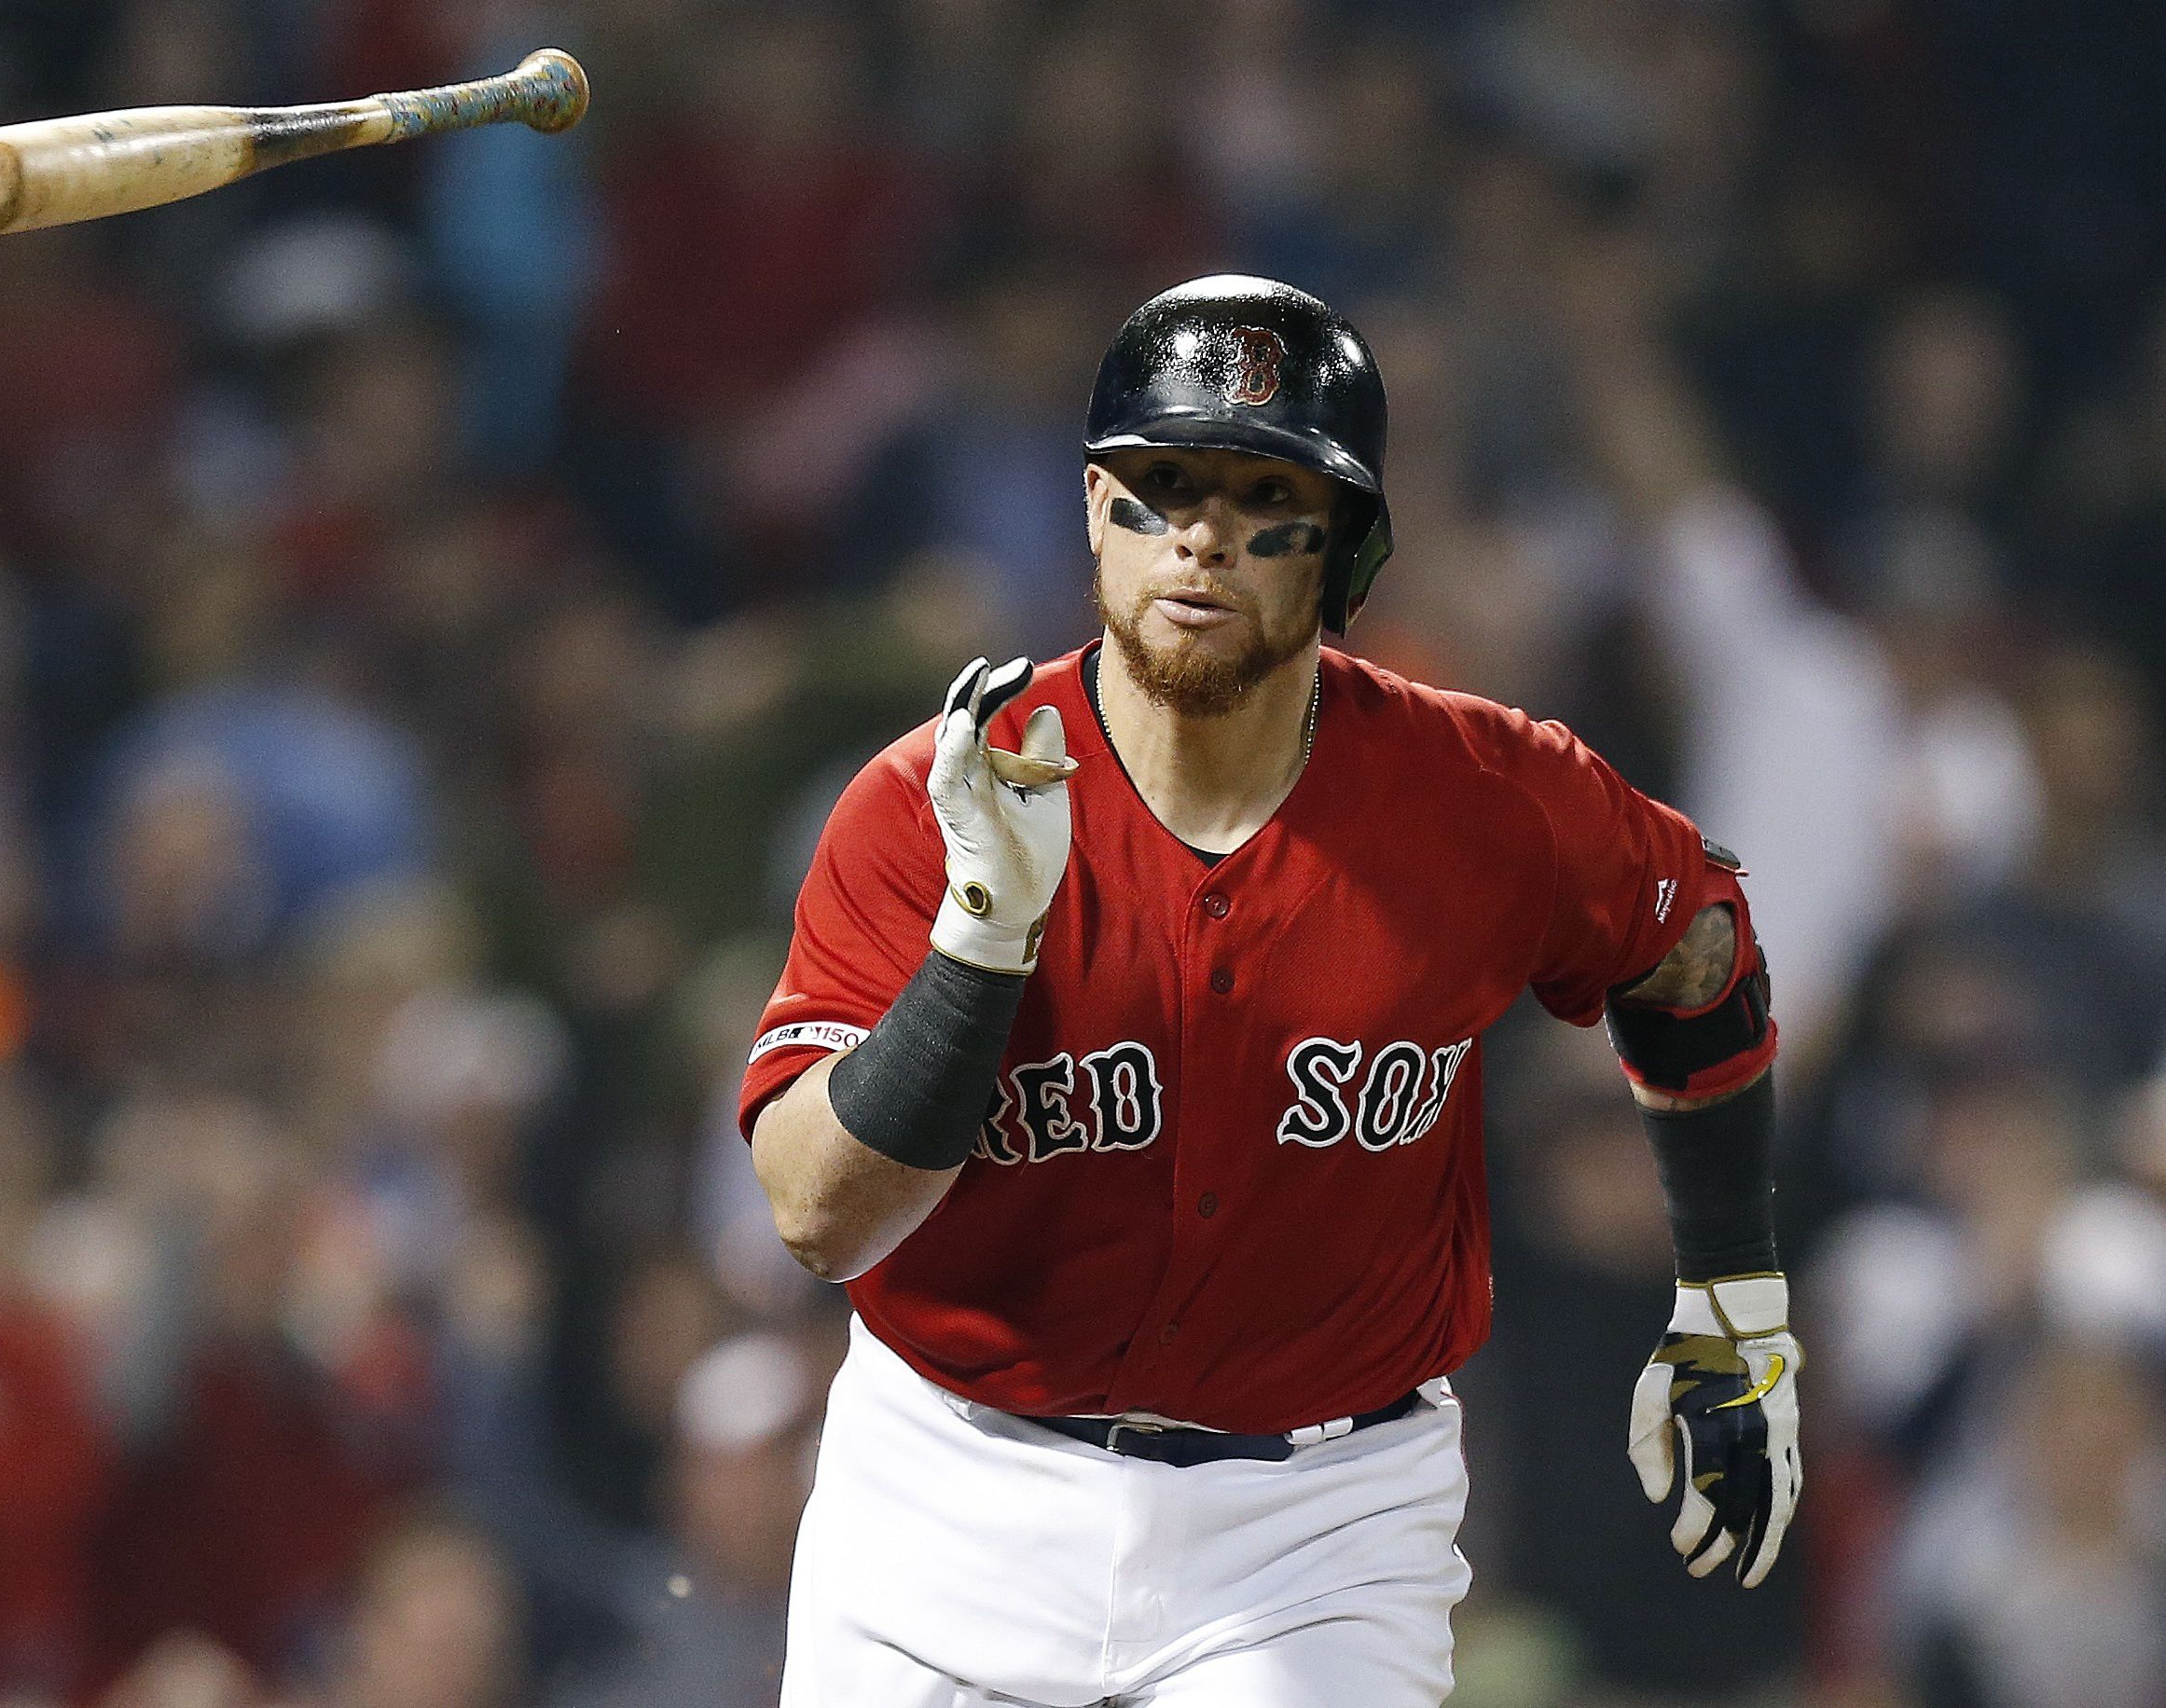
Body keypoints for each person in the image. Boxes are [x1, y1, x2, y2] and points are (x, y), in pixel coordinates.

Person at [738, 276, 1802, 1706]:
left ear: (1348, 552)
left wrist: (1732, 1293)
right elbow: (816, 1212)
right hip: (951, 1490)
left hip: (1319, 1527)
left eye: (1262, 495)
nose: (1201, 536)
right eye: (1160, 484)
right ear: (1094, 511)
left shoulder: (1483, 798)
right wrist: (980, 943)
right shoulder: (936, 802)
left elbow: (1700, 950)